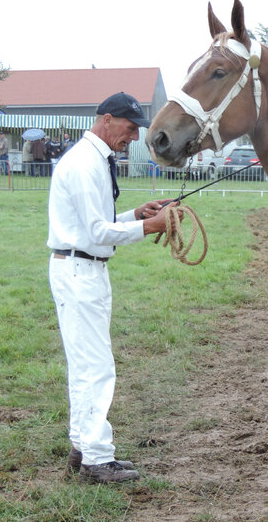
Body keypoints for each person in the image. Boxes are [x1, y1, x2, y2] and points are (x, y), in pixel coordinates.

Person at [48, 92, 180, 484]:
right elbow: (96, 232)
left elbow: (98, 222)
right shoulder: (86, 164)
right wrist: (149, 227)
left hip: (81, 267)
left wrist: (136, 214)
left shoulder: (91, 159)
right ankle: (96, 458)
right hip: (80, 270)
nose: (134, 137)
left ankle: (83, 446)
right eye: (129, 127)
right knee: (97, 367)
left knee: (86, 365)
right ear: (106, 120)